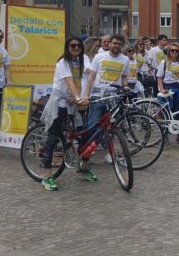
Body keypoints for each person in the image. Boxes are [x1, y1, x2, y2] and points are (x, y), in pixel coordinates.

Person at [39, 37, 90, 190]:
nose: (76, 48)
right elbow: (69, 82)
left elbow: (84, 80)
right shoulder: (63, 63)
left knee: (82, 135)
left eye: (78, 46)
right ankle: (47, 176)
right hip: (59, 102)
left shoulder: (81, 61)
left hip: (73, 102)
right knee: (53, 138)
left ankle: (84, 167)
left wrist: (83, 97)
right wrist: (78, 98)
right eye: (72, 46)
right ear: (67, 47)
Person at [82, 33, 130, 165]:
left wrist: (125, 86)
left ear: (122, 46)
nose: (116, 46)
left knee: (111, 128)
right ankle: (86, 152)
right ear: (109, 44)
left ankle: (110, 153)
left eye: (119, 44)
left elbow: (124, 77)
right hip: (98, 96)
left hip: (114, 98)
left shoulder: (125, 59)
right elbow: (91, 77)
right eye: (114, 43)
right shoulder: (99, 57)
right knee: (92, 125)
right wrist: (86, 95)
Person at [157, 43, 179, 145]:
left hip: (178, 89)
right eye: (172, 50)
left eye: (176, 51)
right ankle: (164, 135)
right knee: (165, 113)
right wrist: (161, 89)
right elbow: (159, 77)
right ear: (169, 51)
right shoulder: (164, 62)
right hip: (168, 89)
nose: (174, 52)